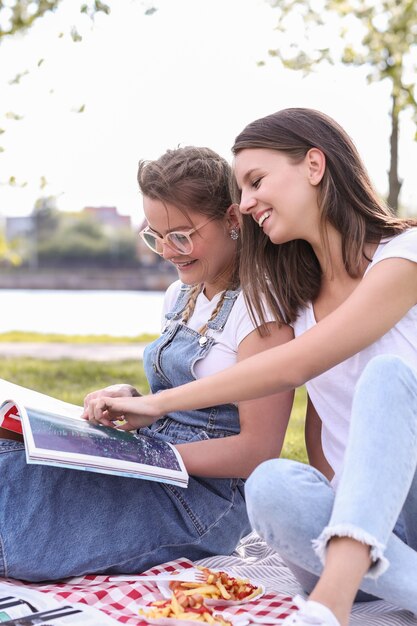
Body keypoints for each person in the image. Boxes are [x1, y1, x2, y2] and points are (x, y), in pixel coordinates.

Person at [86, 109, 417, 626]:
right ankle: (367, 576)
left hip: (411, 497)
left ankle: (330, 603)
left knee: (386, 378)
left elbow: (296, 365)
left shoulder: (405, 257)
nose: (244, 203)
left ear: (313, 164)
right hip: (359, 523)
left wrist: (156, 404)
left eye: (256, 181)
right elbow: (323, 422)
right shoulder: (298, 302)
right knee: (271, 484)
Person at [0, 145, 293, 582]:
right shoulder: (180, 295)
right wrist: (131, 399)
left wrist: (149, 456)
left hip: (204, 502)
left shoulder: (260, 311)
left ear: (233, 220)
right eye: (154, 235)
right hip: (153, 462)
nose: (167, 251)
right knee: (12, 460)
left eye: (181, 235)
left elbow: (258, 452)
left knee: (24, 506)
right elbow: (176, 402)